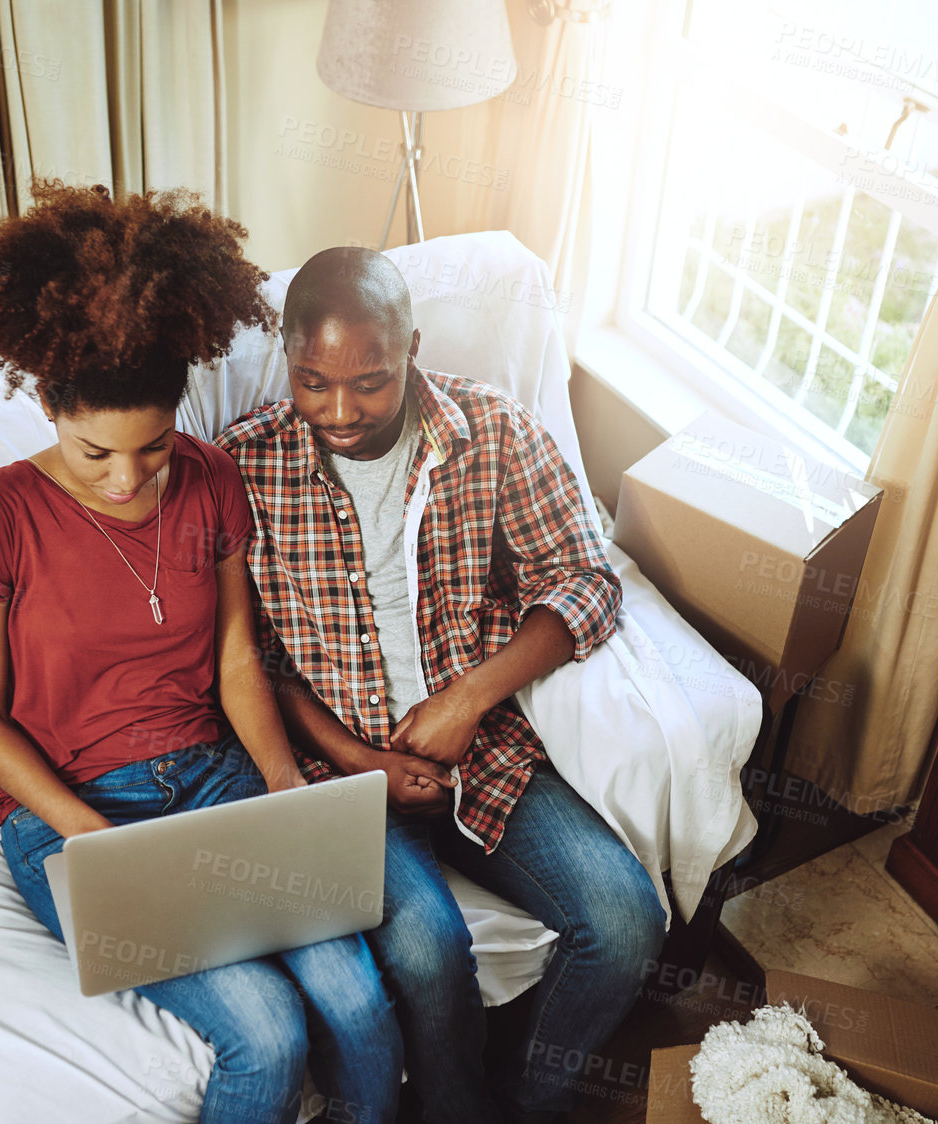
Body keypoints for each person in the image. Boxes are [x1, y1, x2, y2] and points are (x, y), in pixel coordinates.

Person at [0, 184, 401, 1124]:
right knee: (265, 1035)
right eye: (92, 453)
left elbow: (237, 652)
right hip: (73, 814)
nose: (126, 479)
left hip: (215, 779)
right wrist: (90, 838)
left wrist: (282, 783)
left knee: (357, 1004)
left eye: (150, 447)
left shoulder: (211, 477)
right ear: (46, 406)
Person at [217, 246, 667, 1123]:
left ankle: (522, 1105)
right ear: (285, 358)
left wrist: (469, 700)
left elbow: (583, 580)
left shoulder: (492, 430)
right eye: (313, 383)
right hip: (336, 771)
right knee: (425, 952)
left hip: (480, 750)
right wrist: (357, 759)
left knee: (624, 926)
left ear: (412, 346)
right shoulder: (244, 466)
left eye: (371, 383)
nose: (339, 413)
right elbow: (253, 660)